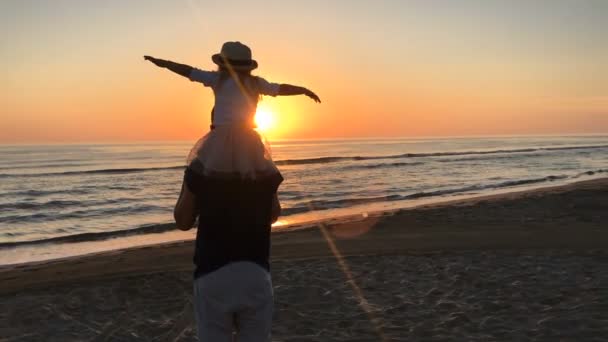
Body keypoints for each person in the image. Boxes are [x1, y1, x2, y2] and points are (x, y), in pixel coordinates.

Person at [145, 41, 320, 341]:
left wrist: (160, 62)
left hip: (212, 273)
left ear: (221, 66)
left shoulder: (203, 163)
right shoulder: (261, 166)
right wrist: (303, 90)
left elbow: (183, 221)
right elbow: (273, 216)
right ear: (248, 66)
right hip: (256, 273)